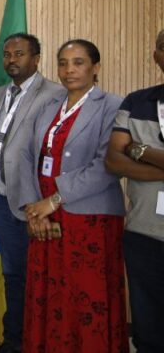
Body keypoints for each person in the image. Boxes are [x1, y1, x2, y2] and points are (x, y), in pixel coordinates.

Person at [19, 39, 126, 353]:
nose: (69, 70)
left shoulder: (112, 105)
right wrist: (34, 209)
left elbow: (107, 166)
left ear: (96, 67)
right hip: (45, 217)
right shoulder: (50, 105)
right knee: (49, 291)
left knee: (85, 297)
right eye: (63, 63)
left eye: (78, 63)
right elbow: (28, 155)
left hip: (90, 222)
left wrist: (52, 201)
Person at [0, 33, 64, 353]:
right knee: (13, 275)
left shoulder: (54, 94)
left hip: (33, 202)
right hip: (1, 198)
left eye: (19, 54)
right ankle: (14, 340)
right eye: (7, 54)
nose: (11, 60)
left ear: (36, 58)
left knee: (36, 277)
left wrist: (43, 203)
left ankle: (33, 341)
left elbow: (50, 151)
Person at [106, 28, 164, 353]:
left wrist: (140, 150)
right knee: (147, 329)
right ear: (156, 56)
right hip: (144, 233)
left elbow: (127, 152)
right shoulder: (137, 101)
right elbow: (114, 161)